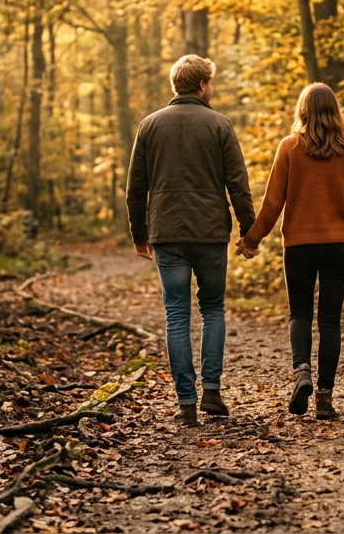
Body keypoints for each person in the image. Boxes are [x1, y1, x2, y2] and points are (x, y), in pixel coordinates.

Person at [126, 55, 255, 425]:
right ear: (202, 85)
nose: (211, 89)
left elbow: (136, 188)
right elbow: (238, 184)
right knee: (212, 308)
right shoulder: (220, 124)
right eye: (210, 83)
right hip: (211, 232)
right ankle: (211, 391)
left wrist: (140, 235)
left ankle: (186, 403)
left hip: (167, 233)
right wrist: (250, 231)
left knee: (176, 314)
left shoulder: (149, 125)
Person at [236, 83, 344, 420]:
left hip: (298, 246)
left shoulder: (290, 147)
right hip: (340, 245)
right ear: (335, 111)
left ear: (303, 111)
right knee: (330, 320)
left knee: (299, 313)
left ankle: (301, 373)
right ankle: (325, 398)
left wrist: (251, 240)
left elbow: (272, 203)